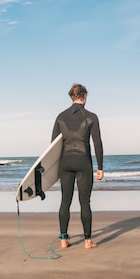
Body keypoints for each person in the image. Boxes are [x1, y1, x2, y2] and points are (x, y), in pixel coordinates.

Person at [52, 83, 104, 250]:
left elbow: (53, 145)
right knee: (84, 202)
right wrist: (100, 167)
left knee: (65, 202)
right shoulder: (91, 117)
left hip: (65, 163)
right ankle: (88, 242)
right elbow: (97, 143)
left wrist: (53, 170)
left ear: (71, 97)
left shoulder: (60, 116)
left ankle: (63, 240)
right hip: (84, 163)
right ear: (84, 96)